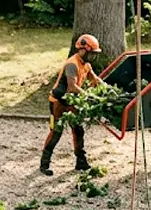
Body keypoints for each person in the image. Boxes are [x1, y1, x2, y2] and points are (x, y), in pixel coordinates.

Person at [40, 34, 104, 176]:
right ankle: (44, 164)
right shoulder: (72, 64)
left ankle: (81, 162)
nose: (92, 57)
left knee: (78, 130)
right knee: (56, 132)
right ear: (83, 49)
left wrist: (106, 88)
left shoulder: (86, 64)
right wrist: (88, 96)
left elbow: (94, 79)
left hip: (72, 102)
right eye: (91, 53)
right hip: (58, 102)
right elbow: (72, 86)